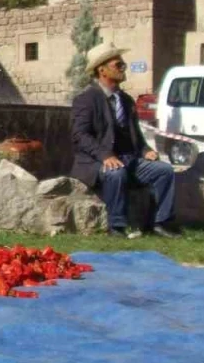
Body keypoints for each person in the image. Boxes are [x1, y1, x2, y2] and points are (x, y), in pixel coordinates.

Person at [71, 43, 180, 239]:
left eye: (123, 65)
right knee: (116, 172)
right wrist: (105, 155)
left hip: (130, 159)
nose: (123, 68)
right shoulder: (87, 99)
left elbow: (135, 135)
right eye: (118, 65)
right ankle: (117, 226)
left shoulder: (126, 100)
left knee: (164, 171)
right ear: (102, 70)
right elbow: (80, 135)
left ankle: (160, 222)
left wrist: (146, 150)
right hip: (96, 162)